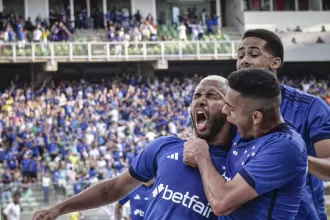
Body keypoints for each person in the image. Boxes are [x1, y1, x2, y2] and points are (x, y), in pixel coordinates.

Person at [32, 75, 232, 220]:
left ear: (230, 107)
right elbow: (114, 188)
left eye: (212, 95)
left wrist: (203, 159)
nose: (201, 100)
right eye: (197, 95)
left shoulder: (239, 162)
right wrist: (59, 209)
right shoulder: (165, 147)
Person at [184, 68, 308, 219]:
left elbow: (221, 203)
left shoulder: (285, 148)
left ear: (256, 117)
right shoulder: (249, 126)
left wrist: (201, 156)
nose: (225, 111)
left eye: (231, 108)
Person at [236, 29, 330, 220]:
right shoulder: (228, 109)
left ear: (275, 62)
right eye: (240, 55)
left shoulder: (310, 107)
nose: (244, 60)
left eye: (253, 54)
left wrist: (293, 157)